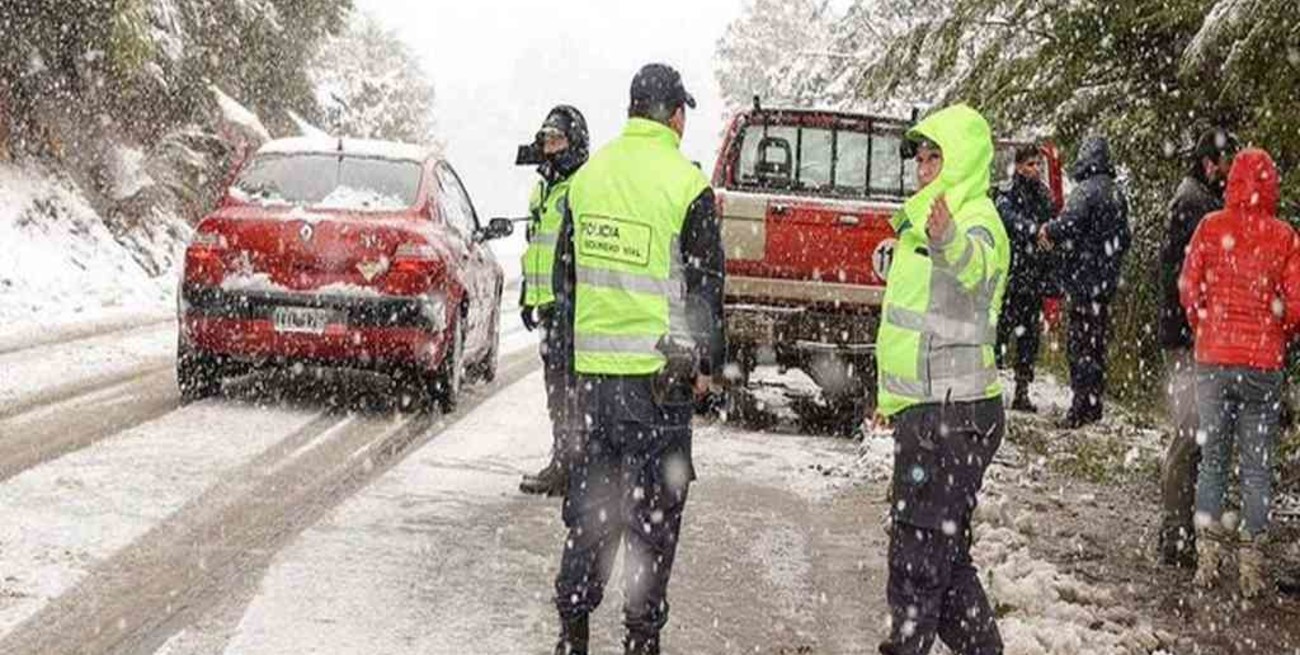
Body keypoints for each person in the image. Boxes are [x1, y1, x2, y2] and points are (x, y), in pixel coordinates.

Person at [549, 63, 725, 655]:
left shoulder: (587, 179)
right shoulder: (687, 185)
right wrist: (708, 367)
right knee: (652, 520)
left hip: (595, 385)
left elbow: (564, 285)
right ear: (675, 115)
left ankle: (572, 632)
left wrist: (571, 367)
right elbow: (704, 291)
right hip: (660, 386)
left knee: (593, 513)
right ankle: (640, 640)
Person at [875, 104, 1010, 655]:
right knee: (941, 560)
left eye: (936, 157)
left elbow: (976, 268)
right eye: (921, 158)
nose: (924, 168)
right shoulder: (925, 219)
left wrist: (951, 240)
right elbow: (914, 321)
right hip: (931, 411)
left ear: (964, 160)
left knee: (916, 561)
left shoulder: (974, 218)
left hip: (953, 415)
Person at [1179, 147, 1300, 599]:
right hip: (1262, 365)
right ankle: (1252, 567)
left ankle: (1207, 560)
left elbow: (1189, 289)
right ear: (1272, 185)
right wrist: (1277, 329)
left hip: (1213, 358)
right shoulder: (1285, 237)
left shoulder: (1210, 227)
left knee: (1212, 460)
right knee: (1256, 467)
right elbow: (1296, 306)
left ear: (1231, 183)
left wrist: (1205, 327)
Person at [1156, 128, 1237, 567]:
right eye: (1226, 164)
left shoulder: (1196, 200)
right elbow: (1187, 281)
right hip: (1188, 339)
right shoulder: (1195, 205)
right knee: (1189, 435)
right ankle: (1175, 534)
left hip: (1191, 335)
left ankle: (1180, 530)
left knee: (1194, 435)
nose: (1229, 174)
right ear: (1210, 164)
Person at [518, 105, 590, 497]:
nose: (549, 147)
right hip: (548, 304)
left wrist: (572, 300)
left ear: (575, 141)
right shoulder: (543, 187)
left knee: (571, 390)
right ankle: (563, 462)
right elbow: (536, 246)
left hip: (572, 306)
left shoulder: (581, 186)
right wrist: (529, 297)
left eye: (557, 139)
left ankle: (572, 468)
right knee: (556, 389)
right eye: (546, 139)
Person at [1038, 136, 1131, 428]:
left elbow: (1068, 223)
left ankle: (1079, 408)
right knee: (1097, 343)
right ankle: (1094, 403)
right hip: (1105, 283)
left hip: (1083, 282)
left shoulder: (1085, 192)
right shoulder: (1116, 194)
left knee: (1079, 345)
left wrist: (1048, 232)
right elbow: (1125, 238)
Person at [995, 144, 1054, 413]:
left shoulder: (1043, 194)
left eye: (1038, 164)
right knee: (999, 333)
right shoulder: (1006, 193)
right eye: (1030, 164)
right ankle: (990, 386)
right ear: (1018, 166)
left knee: (1028, 338)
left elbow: (1051, 223)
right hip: (1010, 275)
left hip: (1033, 276)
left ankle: (1022, 389)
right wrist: (1034, 231)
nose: (1036, 169)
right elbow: (1007, 220)